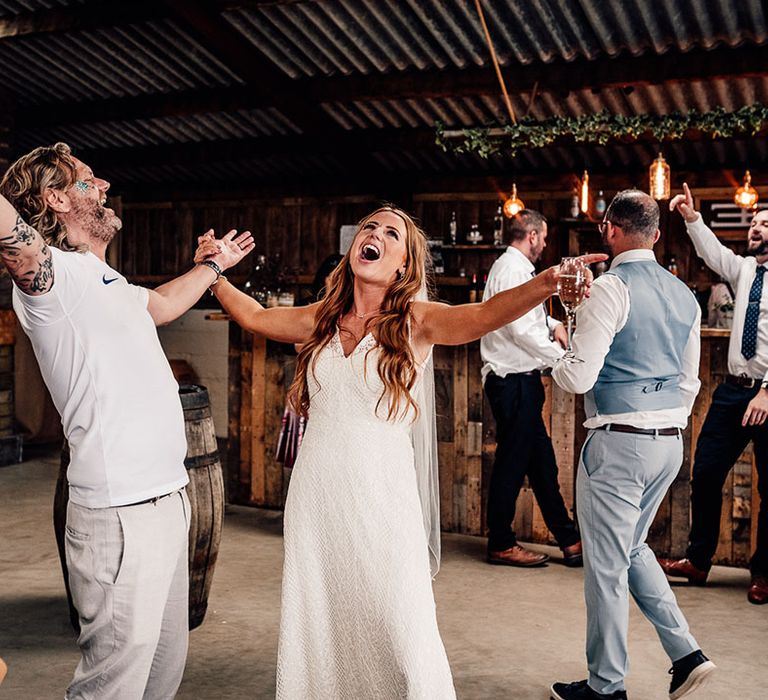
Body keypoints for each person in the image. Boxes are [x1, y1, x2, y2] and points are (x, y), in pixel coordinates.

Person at [198, 206, 605, 698]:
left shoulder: (416, 320)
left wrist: (544, 284)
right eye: (370, 226)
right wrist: (213, 273)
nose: (376, 235)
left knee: (399, 620)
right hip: (316, 497)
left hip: (382, 498)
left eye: (392, 233)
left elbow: (480, 316)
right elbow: (257, 316)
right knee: (320, 613)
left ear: (404, 266)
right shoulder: (321, 320)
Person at [0, 142, 253, 699]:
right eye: (90, 179)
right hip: (117, 515)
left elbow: (160, 305)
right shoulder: (53, 281)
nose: (106, 185)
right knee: (111, 683)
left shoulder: (103, 279)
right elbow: (9, 234)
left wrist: (212, 267)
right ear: (56, 198)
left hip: (167, 500)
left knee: (162, 670)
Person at [550, 190, 715, 700]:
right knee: (631, 549)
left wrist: (560, 348)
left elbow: (578, 378)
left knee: (604, 568)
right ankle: (687, 654)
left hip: (619, 444)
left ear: (609, 229)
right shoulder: (684, 293)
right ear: (658, 235)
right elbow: (691, 380)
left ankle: (605, 688)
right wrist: (665, 420)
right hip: (669, 443)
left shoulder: (609, 288)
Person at [659, 184, 768, 605]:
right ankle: (698, 560)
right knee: (704, 472)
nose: (755, 229)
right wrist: (691, 217)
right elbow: (712, 252)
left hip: (766, 395)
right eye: (754, 223)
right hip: (732, 392)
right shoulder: (744, 270)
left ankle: (763, 573)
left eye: (763, 224)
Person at [482, 209, 582, 567]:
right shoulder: (512, 270)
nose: (545, 243)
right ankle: (501, 543)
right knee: (512, 463)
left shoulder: (516, 269)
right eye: (544, 237)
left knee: (542, 464)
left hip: (521, 383)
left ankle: (570, 541)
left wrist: (553, 322)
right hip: (513, 382)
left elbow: (529, 318)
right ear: (534, 235)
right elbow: (520, 330)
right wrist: (564, 357)